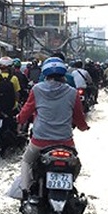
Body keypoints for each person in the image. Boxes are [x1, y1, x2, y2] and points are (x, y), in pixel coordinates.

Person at [12, 57, 90, 199]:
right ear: (63, 75)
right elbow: (79, 118)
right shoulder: (72, 93)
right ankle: (69, 186)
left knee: (27, 161)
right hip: (65, 143)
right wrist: (84, 127)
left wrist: (19, 119)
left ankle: (25, 191)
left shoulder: (37, 89)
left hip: (39, 142)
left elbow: (26, 112)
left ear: (45, 74)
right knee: (75, 165)